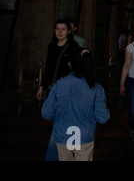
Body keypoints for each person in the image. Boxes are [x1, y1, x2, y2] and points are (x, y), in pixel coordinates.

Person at [41, 49, 110, 161]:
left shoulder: (59, 85)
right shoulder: (96, 87)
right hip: (85, 137)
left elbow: (46, 113)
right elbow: (102, 118)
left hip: (63, 136)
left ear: (70, 64)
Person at [36, 19, 81, 161]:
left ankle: (53, 156)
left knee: (59, 123)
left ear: (69, 31)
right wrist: (42, 86)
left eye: (63, 29)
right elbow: (49, 67)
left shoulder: (74, 47)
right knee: (59, 122)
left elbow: (78, 69)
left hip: (67, 90)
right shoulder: (51, 46)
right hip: (53, 88)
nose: (60, 32)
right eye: (57, 29)